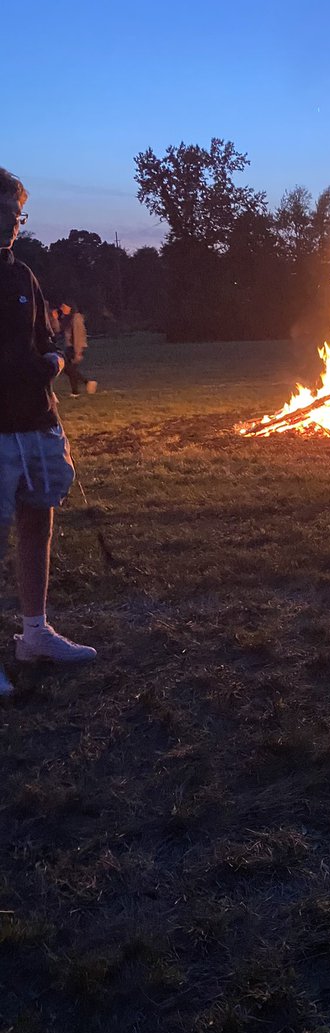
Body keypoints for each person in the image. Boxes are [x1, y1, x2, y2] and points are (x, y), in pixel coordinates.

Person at [0, 167, 96, 698]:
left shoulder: (22, 276)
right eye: (5, 213)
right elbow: (22, 360)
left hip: (35, 424)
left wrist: (58, 355)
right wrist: (48, 365)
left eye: (18, 215)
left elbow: (40, 342)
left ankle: (35, 634)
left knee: (37, 520)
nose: (13, 224)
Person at [57, 301, 97, 396]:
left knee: (69, 369)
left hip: (74, 347)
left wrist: (78, 352)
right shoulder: (68, 318)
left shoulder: (76, 318)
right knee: (70, 369)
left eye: (64, 306)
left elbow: (78, 335)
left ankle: (82, 386)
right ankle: (80, 388)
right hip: (70, 347)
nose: (62, 309)